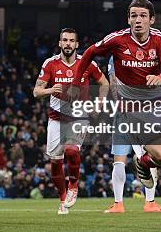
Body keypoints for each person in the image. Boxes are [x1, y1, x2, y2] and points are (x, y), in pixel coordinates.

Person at [71, 0, 161, 223]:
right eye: (134, 15)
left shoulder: (158, 40)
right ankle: (145, 162)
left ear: (151, 20)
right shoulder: (117, 40)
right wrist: (77, 82)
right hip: (132, 109)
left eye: (143, 16)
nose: (138, 20)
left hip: (160, 104)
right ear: (128, 19)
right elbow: (88, 53)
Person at [33, 28, 109, 214]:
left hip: (78, 116)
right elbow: (36, 92)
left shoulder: (86, 62)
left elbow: (104, 83)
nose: (68, 44)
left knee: (72, 149)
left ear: (76, 44)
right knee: (56, 162)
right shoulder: (50, 64)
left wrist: (100, 102)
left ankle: (74, 185)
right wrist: (51, 90)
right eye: (64, 40)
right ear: (60, 43)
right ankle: (62, 198)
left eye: (71, 41)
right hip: (56, 119)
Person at [105, 58, 161, 213]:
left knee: (120, 160)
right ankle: (149, 203)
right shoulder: (142, 54)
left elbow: (113, 81)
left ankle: (119, 204)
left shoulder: (116, 56)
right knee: (144, 157)